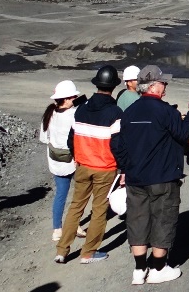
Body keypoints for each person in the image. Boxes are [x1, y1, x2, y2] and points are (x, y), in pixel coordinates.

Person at [111, 65, 189, 285]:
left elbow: (117, 143)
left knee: (137, 220)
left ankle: (139, 270)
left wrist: (125, 167)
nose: (166, 85)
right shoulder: (166, 111)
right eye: (163, 82)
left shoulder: (129, 112)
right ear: (154, 85)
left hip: (135, 177)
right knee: (163, 220)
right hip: (162, 177)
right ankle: (158, 269)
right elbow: (183, 134)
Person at [55, 64, 123, 265]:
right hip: (105, 168)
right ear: (113, 87)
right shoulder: (115, 112)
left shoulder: (81, 109)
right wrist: (125, 167)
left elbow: (71, 139)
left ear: (97, 85)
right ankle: (88, 252)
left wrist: (77, 157)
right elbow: (118, 145)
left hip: (82, 166)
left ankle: (61, 250)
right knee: (99, 209)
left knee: (76, 206)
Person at [39, 80, 86, 242]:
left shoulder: (49, 114)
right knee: (79, 195)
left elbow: (44, 138)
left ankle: (57, 229)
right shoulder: (73, 115)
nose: (75, 98)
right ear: (66, 98)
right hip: (73, 161)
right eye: (73, 96)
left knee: (60, 195)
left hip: (55, 161)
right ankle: (75, 224)